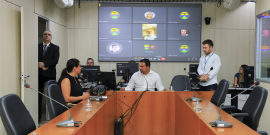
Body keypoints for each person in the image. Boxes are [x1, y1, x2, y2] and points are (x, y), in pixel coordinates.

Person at [38, 30, 59, 122]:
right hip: (39, 75)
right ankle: (38, 118)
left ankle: (52, 119)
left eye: (49, 35)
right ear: (43, 36)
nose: (47, 36)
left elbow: (55, 60)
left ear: (51, 37)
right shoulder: (37, 46)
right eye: (45, 34)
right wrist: (39, 65)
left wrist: (45, 64)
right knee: (38, 97)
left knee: (51, 97)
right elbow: (32, 57)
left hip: (50, 76)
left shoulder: (55, 48)